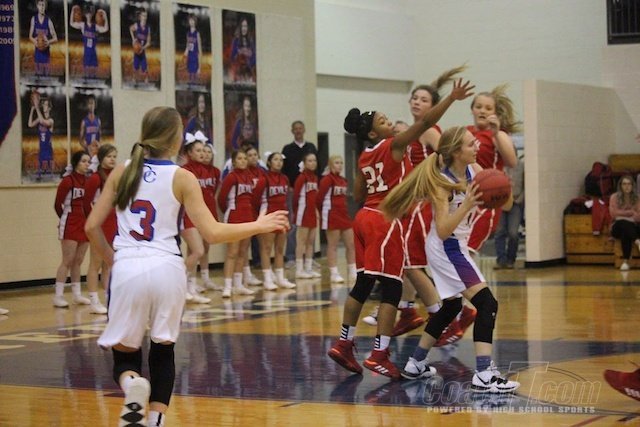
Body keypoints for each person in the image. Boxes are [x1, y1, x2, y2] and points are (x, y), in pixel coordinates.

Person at [85, 106, 288, 426]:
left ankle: (131, 383)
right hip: (168, 268)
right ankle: (155, 421)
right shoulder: (183, 177)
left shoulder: (122, 171)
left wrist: (115, 260)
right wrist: (259, 225)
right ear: (176, 138)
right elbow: (213, 233)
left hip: (127, 268)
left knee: (125, 357)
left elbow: (91, 227)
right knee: (163, 351)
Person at [327, 78, 474, 379]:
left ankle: (344, 343)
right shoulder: (393, 145)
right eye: (384, 121)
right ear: (373, 133)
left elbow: (358, 193)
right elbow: (426, 123)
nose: (391, 123)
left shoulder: (363, 156)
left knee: (363, 285)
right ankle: (379, 354)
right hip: (386, 220)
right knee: (392, 287)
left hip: (364, 218)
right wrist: (451, 98)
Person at [380, 126, 520, 393]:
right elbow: (443, 229)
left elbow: (507, 205)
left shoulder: (475, 170)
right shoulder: (442, 183)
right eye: (470, 144)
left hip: (457, 246)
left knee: (451, 307)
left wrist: (503, 184)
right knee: (487, 304)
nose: (477, 147)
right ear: (456, 152)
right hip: (446, 247)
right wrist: (467, 204)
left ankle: (415, 363)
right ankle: (483, 374)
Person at [466, 85, 519, 254]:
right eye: (479, 106)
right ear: (472, 110)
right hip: (464, 196)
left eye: (488, 108)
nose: (483, 111)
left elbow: (512, 161)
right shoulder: (465, 132)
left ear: (495, 113)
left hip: (486, 197)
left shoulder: (498, 135)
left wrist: (495, 133)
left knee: (467, 250)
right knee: (454, 250)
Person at [53, 151, 92, 308]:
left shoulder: (89, 181)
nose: (87, 164)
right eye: (84, 161)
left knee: (78, 260)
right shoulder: (67, 181)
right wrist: (64, 219)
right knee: (67, 260)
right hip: (70, 222)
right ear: (76, 163)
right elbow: (57, 204)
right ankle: (58, 296)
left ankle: (77, 295)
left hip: (84, 223)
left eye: (88, 161)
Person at [218, 150, 258, 297]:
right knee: (232, 253)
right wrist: (229, 211)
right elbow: (221, 199)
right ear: (234, 162)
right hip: (234, 217)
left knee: (243, 252)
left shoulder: (249, 177)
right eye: (239, 158)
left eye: (244, 158)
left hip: (248, 217)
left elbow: (252, 199)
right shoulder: (231, 177)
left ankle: (238, 285)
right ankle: (227, 286)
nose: (243, 161)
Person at [83, 144, 117, 314]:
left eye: (114, 156)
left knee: (109, 264)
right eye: (109, 156)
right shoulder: (95, 179)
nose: (112, 159)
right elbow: (85, 203)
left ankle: (109, 297)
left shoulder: (116, 176)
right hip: (100, 226)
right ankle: (93, 300)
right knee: (95, 263)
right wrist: (93, 222)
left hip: (113, 224)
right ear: (101, 158)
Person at [254, 152, 297, 289]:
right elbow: (255, 199)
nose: (279, 162)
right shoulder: (264, 179)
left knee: (280, 249)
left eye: (280, 160)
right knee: (266, 248)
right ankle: (267, 279)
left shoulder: (285, 178)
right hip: (268, 216)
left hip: (282, 216)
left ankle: (280, 278)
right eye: (275, 160)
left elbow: (286, 199)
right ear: (269, 162)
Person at [179, 135, 212, 304]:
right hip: (186, 216)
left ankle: (190, 288)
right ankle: (179, 285)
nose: (202, 153)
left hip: (199, 216)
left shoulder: (205, 170)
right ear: (189, 153)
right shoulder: (184, 171)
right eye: (198, 151)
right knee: (198, 251)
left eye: (203, 150)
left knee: (193, 252)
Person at [282, 121, 318, 266]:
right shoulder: (287, 149)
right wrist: (289, 186)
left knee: (311, 224)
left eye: (300, 128)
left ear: (304, 130)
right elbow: (284, 169)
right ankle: (291, 257)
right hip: (294, 190)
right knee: (294, 223)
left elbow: (317, 168)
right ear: (292, 131)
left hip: (310, 190)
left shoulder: (311, 147)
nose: (298, 131)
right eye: (295, 129)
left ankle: (309, 258)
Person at [316, 155, 356, 283]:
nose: (339, 165)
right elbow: (319, 199)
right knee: (332, 245)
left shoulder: (343, 180)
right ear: (331, 164)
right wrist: (322, 213)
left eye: (341, 163)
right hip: (331, 214)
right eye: (337, 163)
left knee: (351, 244)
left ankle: (353, 270)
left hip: (344, 214)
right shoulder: (327, 180)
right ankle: (334, 273)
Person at [494, 152, 525, 269]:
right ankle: (501, 259)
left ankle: (511, 259)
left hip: (516, 202)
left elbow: (525, 185)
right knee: (499, 232)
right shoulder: (498, 165)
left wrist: (519, 199)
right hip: (500, 202)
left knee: (513, 233)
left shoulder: (521, 165)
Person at [198, 142, 222, 290]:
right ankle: (190, 281)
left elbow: (216, 191)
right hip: (196, 211)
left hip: (209, 210)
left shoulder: (216, 172)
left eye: (209, 152)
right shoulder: (192, 170)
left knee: (206, 247)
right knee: (195, 248)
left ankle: (206, 279)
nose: (206, 155)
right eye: (203, 151)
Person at [293, 152, 320, 279]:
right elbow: (295, 197)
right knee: (301, 242)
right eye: (309, 161)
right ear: (304, 163)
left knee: (310, 242)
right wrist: (297, 212)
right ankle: (299, 270)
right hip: (303, 213)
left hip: (312, 213)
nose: (313, 163)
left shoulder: (315, 178)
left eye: (314, 160)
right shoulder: (302, 178)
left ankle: (308, 268)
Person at [609, 175, 640, 271]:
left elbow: (639, 216)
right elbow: (614, 214)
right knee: (622, 223)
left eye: (629, 184)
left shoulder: (638, 198)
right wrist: (631, 213)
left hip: (632, 227)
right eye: (624, 184)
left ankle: (625, 262)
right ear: (620, 185)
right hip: (616, 227)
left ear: (633, 186)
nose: (627, 186)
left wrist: (622, 216)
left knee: (625, 231)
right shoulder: (614, 197)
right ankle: (638, 241)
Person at [69, 4, 109, 80]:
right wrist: (72, 11)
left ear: (92, 15)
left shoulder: (95, 26)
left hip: (93, 52)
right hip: (86, 52)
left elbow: (106, 29)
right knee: (86, 73)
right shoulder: (82, 25)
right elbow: (71, 23)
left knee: (94, 74)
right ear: (84, 14)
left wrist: (105, 15)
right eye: (87, 13)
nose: (88, 15)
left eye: (90, 13)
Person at [27, 94, 54, 180]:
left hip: (48, 150)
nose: (44, 106)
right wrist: (32, 109)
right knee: (39, 175)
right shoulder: (39, 119)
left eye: (46, 105)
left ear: (49, 108)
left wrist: (37, 107)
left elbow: (43, 122)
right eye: (43, 105)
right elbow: (30, 124)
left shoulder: (51, 120)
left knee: (48, 174)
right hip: (41, 149)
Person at [29, 0, 58, 78]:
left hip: (46, 54)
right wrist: (35, 41)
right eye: (40, 5)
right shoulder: (34, 19)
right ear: (37, 6)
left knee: (46, 77)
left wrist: (48, 42)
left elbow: (55, 38)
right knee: (37, 76)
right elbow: (30, 36)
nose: (41, 7)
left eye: (43, 5)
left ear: (45, 7)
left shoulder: (48, 21)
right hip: (37, 52)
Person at [229, 17, 255, 83]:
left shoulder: (251, 41)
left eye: (245, 26)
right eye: (242, 26)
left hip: (248, 70)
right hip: (238, 69)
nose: (244, 28)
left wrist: (249, 53)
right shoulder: (236, 40)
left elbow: (253, 57)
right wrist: (239, 52)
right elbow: (232, 56)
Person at [129, 8, 151, 85]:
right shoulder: (137, 25)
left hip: (142, 50)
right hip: (136, 51)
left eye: (146, 16)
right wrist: (133, 39)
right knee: (135, 66)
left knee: (145, 66)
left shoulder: (148, 28)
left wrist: (142, 48)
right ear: (140, 17)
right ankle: (134, 78)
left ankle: (146, 79)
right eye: (143, 16)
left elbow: (148, 43)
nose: (145, 17)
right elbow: (130, 29)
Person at [183, 14, 202, 85]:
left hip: (195, 57)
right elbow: (187, 46)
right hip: (190, 57)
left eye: (193, 20)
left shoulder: (197, 33)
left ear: (195, 22)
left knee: (195, 77)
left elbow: (200, 48)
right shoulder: (188, 33)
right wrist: (185, 54)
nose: (191, 22)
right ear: (188, 21)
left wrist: (200, 67)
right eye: (190, 20)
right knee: (190, 76)